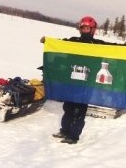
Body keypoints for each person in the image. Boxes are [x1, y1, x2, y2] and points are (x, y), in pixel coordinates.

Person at [41, 16, 112, 145]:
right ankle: (65, 130)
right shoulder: (73, 41)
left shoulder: (98, 45)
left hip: (86, 83)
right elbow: (60, 43)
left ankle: (73, 136)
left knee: (79, 110)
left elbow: (115, 48)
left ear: (92, 30)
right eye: (83, 28)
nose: (85, 30)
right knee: (68, 107)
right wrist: (48, 41)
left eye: (87, 28)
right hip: (72, 80)